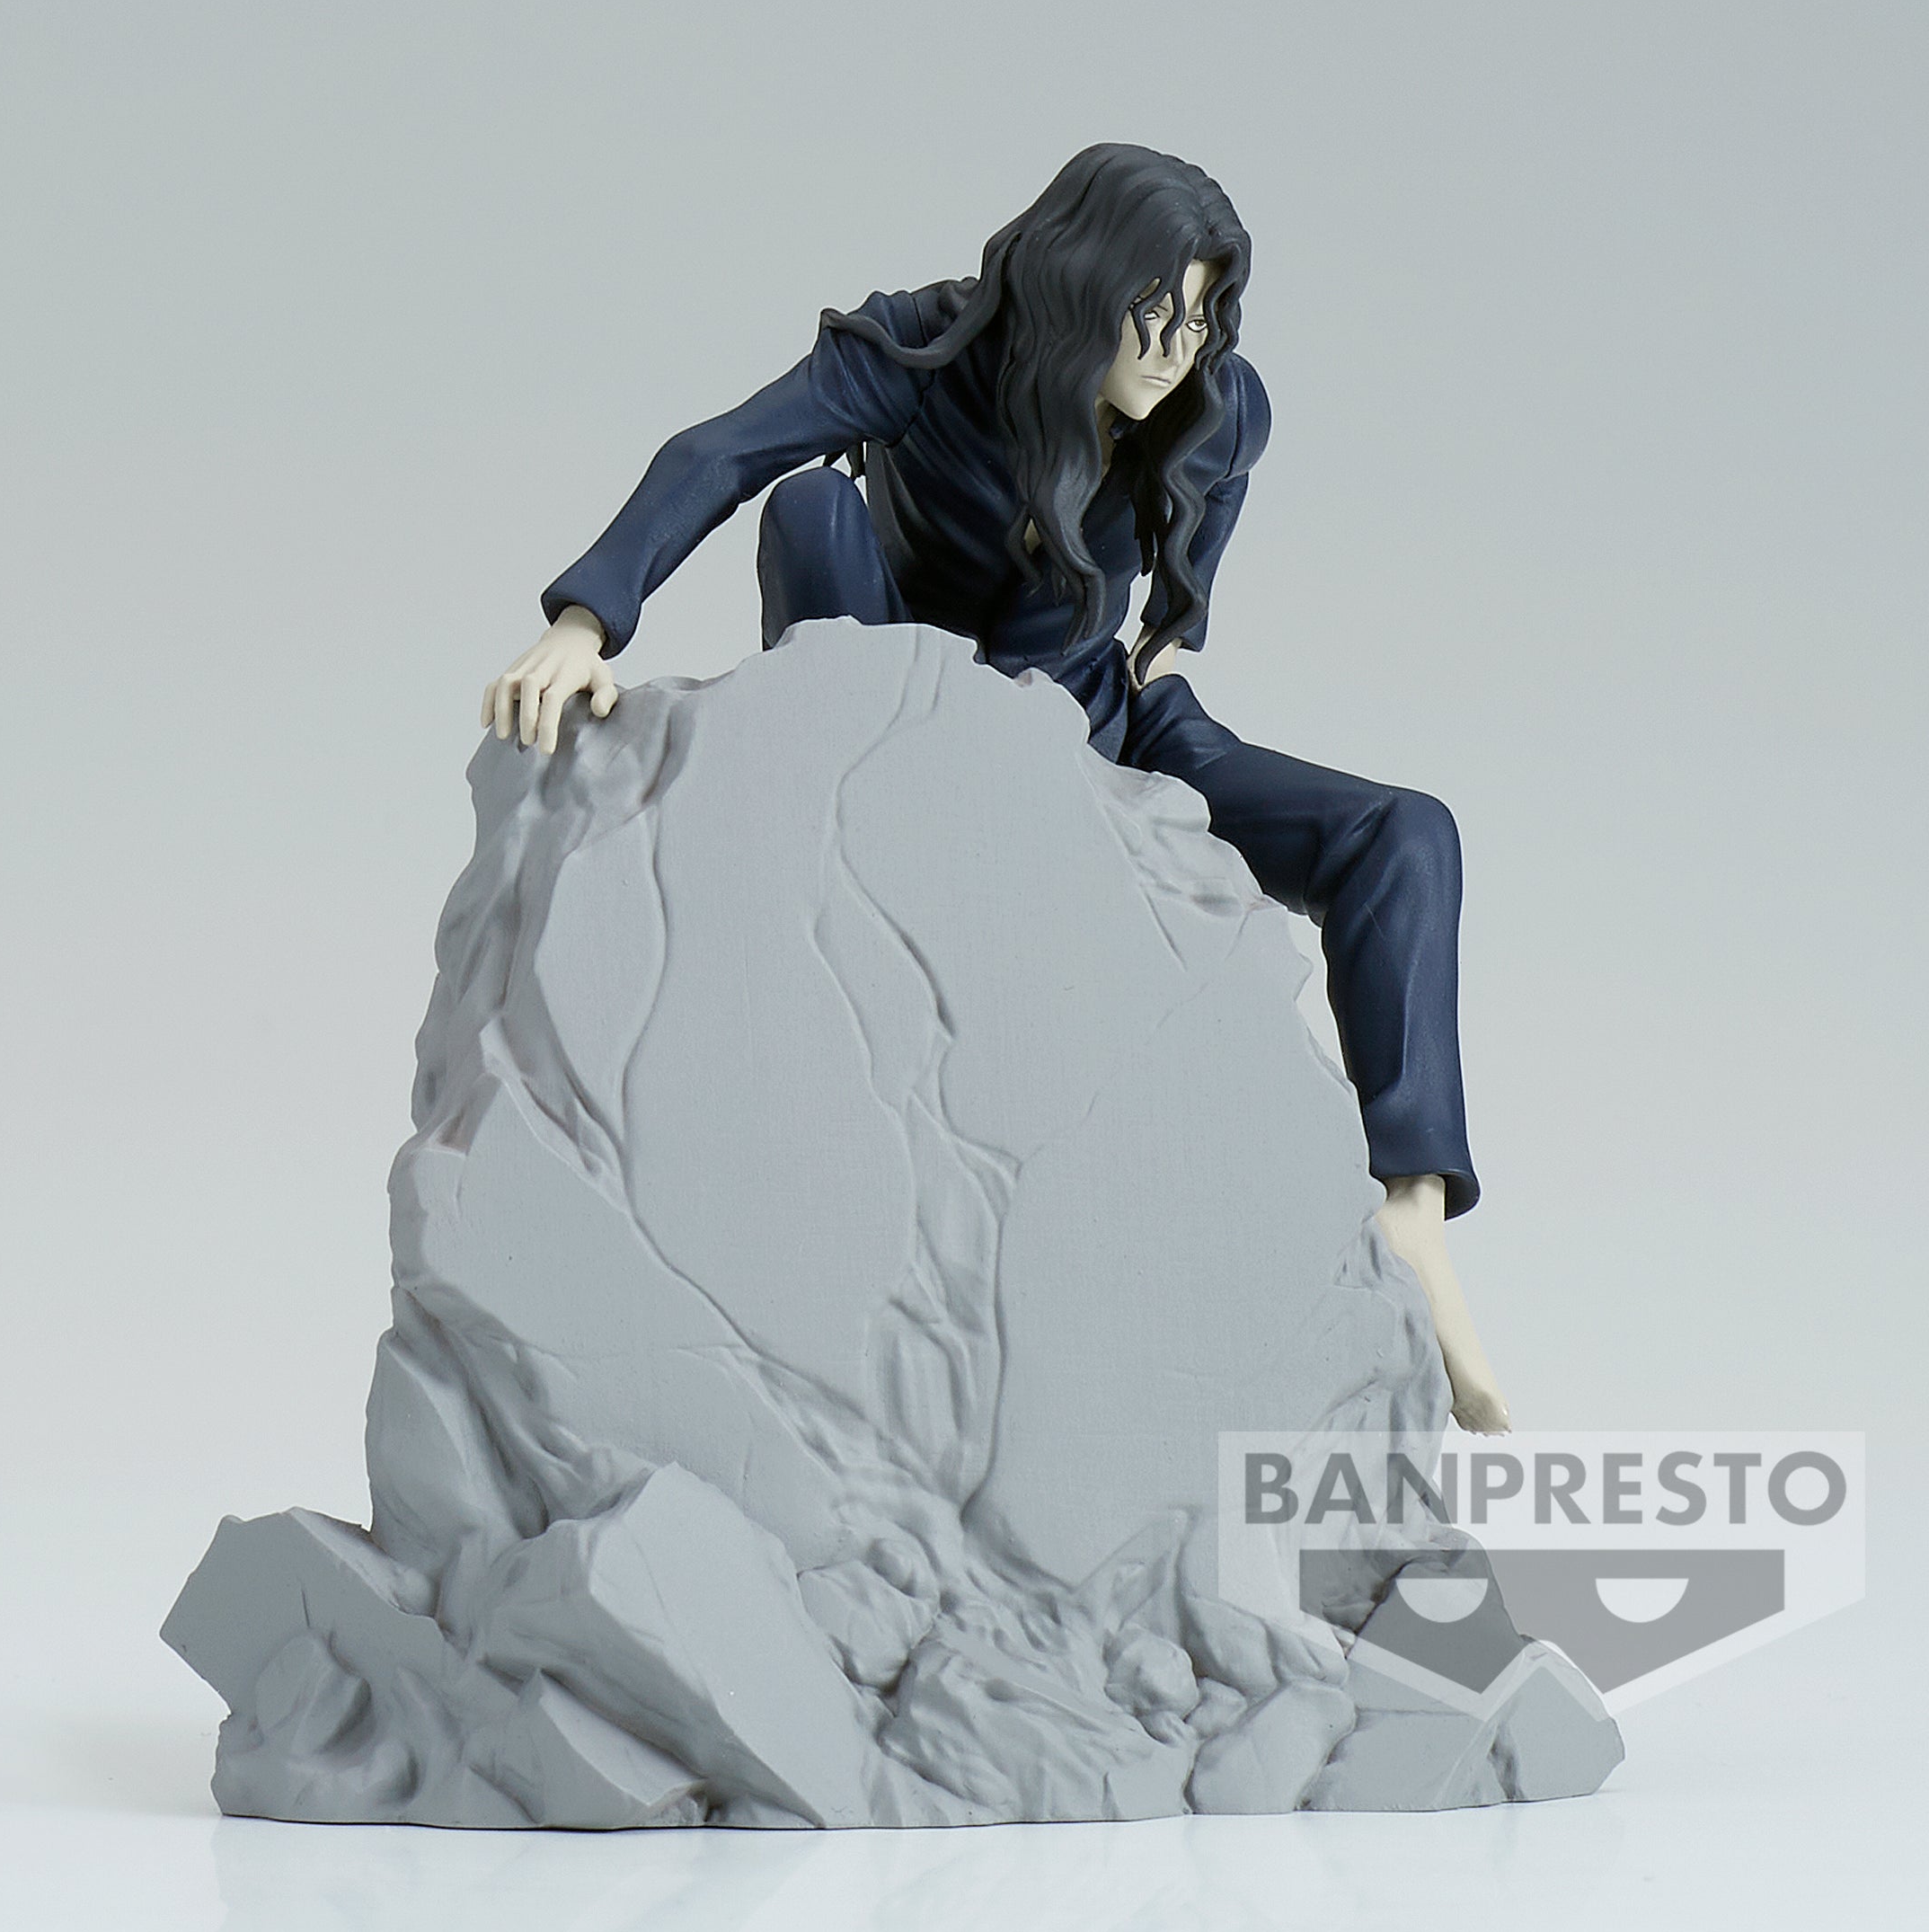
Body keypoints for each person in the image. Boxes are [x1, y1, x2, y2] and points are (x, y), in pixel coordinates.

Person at [482, 144, 1511, 1434]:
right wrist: (584, 621)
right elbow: (722, 452)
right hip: (898, 716)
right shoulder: (926, 352)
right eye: (1152, 314)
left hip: (1085, 731)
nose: (1176, 350)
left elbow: (1180, 607)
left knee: (1406, 835)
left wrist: (1169, 680)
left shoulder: (1220, 407)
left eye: (1200, 319)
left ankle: (1415, 1214)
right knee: (810, 511)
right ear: (1081, 286)